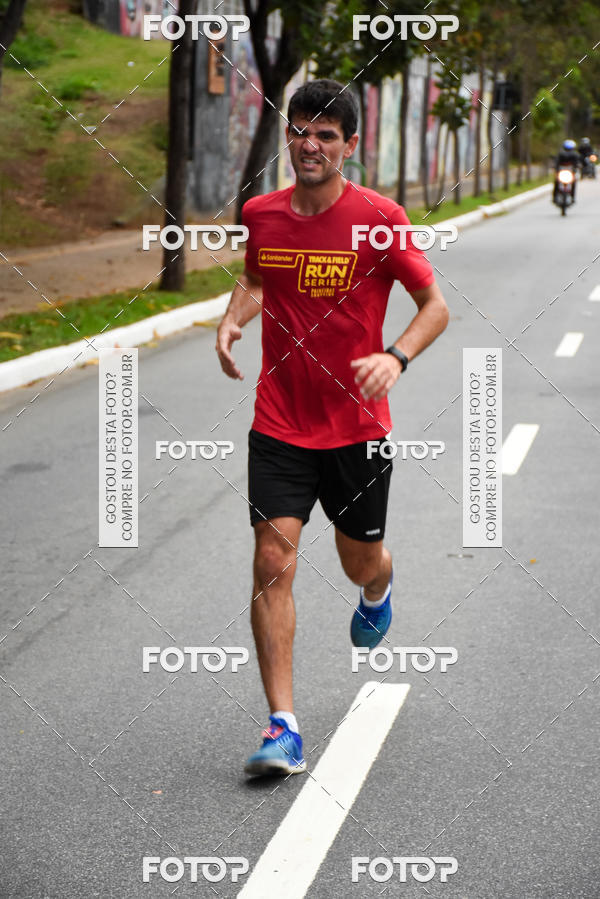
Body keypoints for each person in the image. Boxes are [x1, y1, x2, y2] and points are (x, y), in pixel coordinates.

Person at [216, 79, 449, 777]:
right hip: (280, 419)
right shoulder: (262, 213)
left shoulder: (380, 217)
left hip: (357, 428)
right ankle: (282, 724)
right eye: (299, 131)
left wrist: (395, 354)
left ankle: (379, 584)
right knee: (271, 559)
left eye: (325, 135)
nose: (308, 145)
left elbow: (434, 304)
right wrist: (233, 317)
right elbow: (259, 278)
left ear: (351, 145)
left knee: (359, 558)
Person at [553, 139, 580, 203]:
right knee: (556, 182)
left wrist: (577, 167)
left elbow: (577, 163)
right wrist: (555, 168)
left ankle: (573, 197)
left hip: (570, 172)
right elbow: (556, 162)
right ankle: (554, 196)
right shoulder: (560, 154)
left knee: (574, 183)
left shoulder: (575, 155)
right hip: (561, 172)